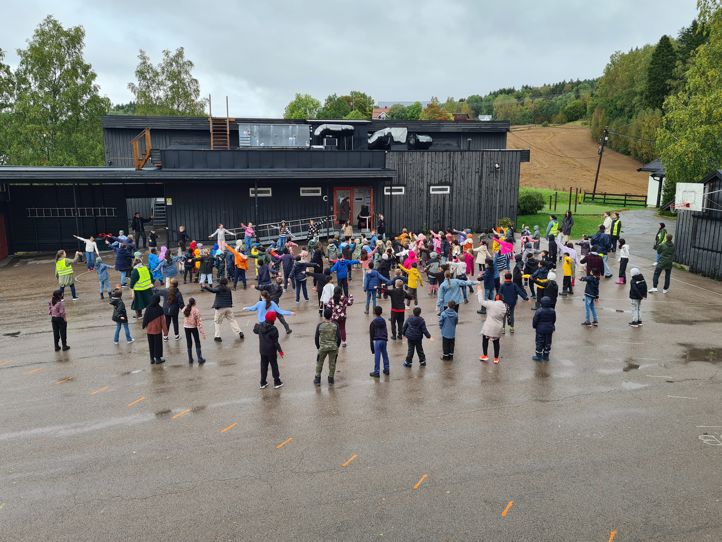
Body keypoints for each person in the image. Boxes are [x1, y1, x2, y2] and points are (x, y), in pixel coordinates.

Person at [202, 277, 244, 342]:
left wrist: (205, 287)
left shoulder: (219, 288)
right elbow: (230, 298)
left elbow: (213, 290)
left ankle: (217, 336)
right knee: (232, 320)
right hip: (228, 307)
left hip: (220, 308)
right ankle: (239, 332)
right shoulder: (228, 289)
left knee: (217, 322)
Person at [254, 311, 284, 389]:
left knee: (263, 366)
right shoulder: (274, 329)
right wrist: (280, 351)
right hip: (271, 351)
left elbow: (255, 330)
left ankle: (262, 382)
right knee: (274, 365)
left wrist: (256, 326)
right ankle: (277, 382)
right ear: (273, 320)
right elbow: (275, 342)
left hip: (262, 351)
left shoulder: (260, 326)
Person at [477, 288, 506, 364]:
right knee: (496, 342)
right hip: (498, 327)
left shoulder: (491, 304)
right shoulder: (504, 307)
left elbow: (481, 301)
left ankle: (485, 355)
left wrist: (479, 292)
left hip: (488, 327)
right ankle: (496, 358)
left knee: (485, 340)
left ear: (496, 298)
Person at [314, 307, 341, 386]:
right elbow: (339, 337)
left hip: (322, 347)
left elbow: (316, 337)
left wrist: (318, 346)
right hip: (333, 347)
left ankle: (317, 379)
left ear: (324, 315)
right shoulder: (335, 325)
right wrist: (337, 346)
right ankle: (331, 379)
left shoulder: (320, 325)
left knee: (319, 362)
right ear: (331, 315)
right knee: (332, 363)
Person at [142, 295, 167, 365]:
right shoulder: (160, 309)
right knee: (157, 344)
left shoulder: (148, 308)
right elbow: (163, 322)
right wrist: (165, 332)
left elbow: (145, 318)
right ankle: (158, 359)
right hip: (157, 330)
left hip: (149, 330)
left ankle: (152, 359)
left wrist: (144, 325)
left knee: (151, 344)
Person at [532, 296, 556, 362]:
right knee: (548, 342)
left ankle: (538, 356)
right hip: (549, 330)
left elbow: (535, 320)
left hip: (540, 330)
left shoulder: (539, 311)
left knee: (539, 342)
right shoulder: (552, 311)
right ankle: (546, 356)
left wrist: (534, 326)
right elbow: (554, 320)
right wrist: (551, 325)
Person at [182, 297, 206, 364]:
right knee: (197, 342)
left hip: (186, 327)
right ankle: (200, 358)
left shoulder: (186, 308)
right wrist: (202, 333)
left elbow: (182, 311)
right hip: (193, 327)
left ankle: (190, 359)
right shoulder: (196, 310)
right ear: (194, 303)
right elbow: (199, 322)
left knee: (189, 342)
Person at [369, 305, 390, 378]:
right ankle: (386, 369)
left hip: (377, 340)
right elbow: (386, 330)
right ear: (381, 312)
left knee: (377, 356)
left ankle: (377, 372)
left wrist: (371, 343)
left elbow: (371, 334)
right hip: (384, 340)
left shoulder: (373, 322)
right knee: (385, 354)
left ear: (375, 312)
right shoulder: (383, 320)